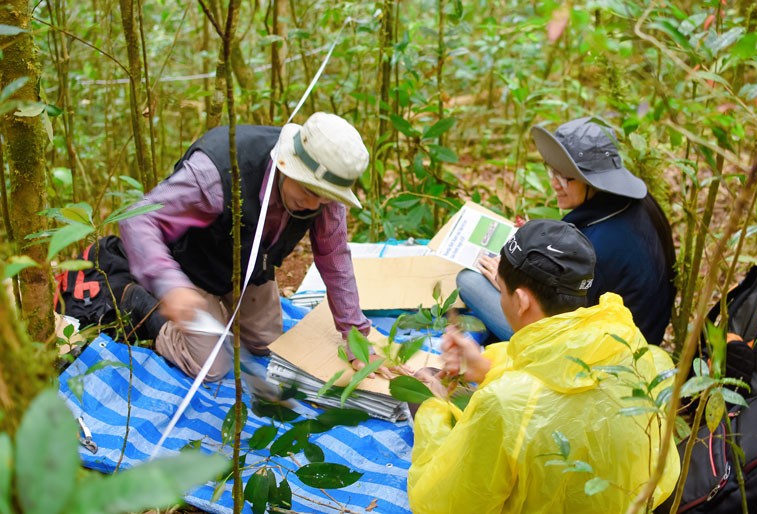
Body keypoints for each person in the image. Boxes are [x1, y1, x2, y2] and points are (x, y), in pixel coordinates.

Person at [408, 219, 679, 514]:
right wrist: (487, 366)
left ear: (522, 301)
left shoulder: (504, 405)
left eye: (502, 291)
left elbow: (444, 505)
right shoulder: (631, 345)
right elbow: (554, 370)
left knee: (424, 387)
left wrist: (434, 408)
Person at [119, 112, 378, 381]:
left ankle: (221, 313)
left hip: (250, 267)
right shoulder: (215, 173)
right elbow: (138, 219)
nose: (313, 206)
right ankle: (146, 307)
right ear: (286, 164)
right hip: (193, 266)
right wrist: (170, 285)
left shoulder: (326, 195)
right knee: (211, 366)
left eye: (324, 199)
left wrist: (356, 338)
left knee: (268, 344)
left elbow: (334, 257)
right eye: (309, 191)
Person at [457, 116, 675, 345]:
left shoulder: (600, 246)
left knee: (469, 281)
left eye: (564, 177)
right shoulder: (633, 205)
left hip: (602, 351)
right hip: (641, 331)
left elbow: (560, 316)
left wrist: (506, 283)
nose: (554, 183)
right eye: (552, 172)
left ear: (592, 181)